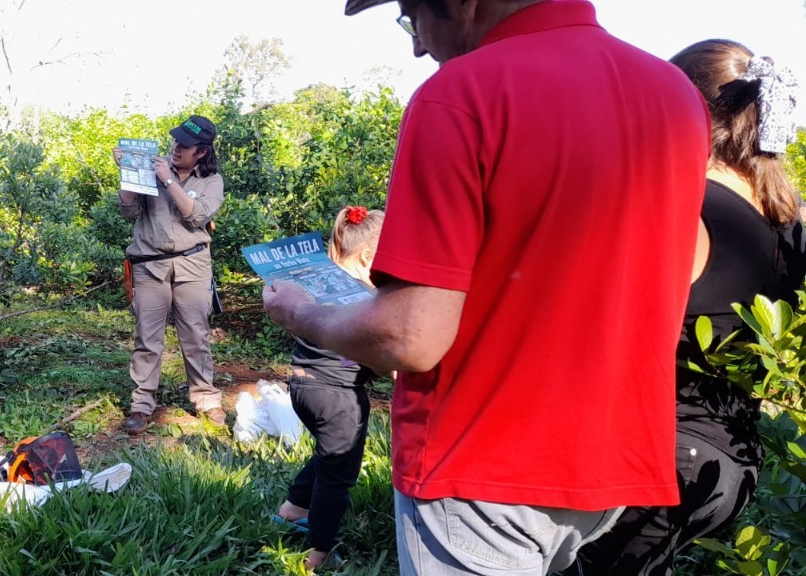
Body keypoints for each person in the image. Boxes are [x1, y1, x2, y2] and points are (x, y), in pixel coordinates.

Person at [264, 1, 711, 573]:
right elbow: (690, 256)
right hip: (612, 465)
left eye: (412, 15)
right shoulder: (675, 95)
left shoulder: (462, 92)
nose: (418, 46)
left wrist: (305, 312)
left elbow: (408, 337)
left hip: (480, 464)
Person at [569, 40, 805, 576]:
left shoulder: (682, 204)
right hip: (732, 461)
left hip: (665, 457)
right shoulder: (786, 218)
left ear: (682, 107)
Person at [274, 206, 384, 571]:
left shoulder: (318, 280)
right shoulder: (364, 298)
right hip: (338, 398)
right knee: (339, 473)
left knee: (327, 453)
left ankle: (293, 508)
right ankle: (319, 555)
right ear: (368, 255)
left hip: (302, 387)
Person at [114, 115, 225, 434]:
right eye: (175, 141)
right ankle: (141, 404)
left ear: (201, 153)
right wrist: (128, 175)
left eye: (185, 146)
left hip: (193, 264)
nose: (176, 148)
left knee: (195, 334)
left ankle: (206, 399)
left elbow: (197, 216)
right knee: (147, 337)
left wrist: (167, 181)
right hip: (149, 264)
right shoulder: (152, 164)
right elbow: (127, 211)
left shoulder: (211, 180)